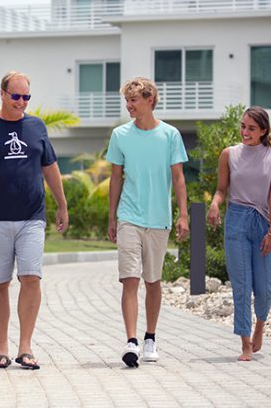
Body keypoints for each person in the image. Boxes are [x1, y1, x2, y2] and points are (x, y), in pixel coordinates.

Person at [0, 71, 68, 370]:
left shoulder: (36, 126)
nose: (21, 102)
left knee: (31, 278)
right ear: (3, 94)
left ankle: (25, 347)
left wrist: (62, 204)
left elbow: (50, 166)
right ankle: (2, 348)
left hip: (32, 216)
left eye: (26, 97)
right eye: (16, 96)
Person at [106, 77, 189, 368]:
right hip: (129, 215)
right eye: (126, 101)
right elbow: (116, 178)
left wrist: (183, 214)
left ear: (149, 100)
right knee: (129, 279)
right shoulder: (120, 135)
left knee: (152, 281)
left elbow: (178, 177)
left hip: (159, 219)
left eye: (134, 101)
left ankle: (150, 338)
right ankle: (131, 341)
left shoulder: (170, 135)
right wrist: (112, 216)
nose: (129, 106)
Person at [207, 106, 271, 361]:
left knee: (264, 286)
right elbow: (221, 189)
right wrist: (215, 204)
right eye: (243, 126)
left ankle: (259, 328)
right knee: (241, 285)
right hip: (237, 221)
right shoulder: (229, 154)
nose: (245, 132)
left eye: (251, 128)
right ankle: (245, 344)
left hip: (263, 222)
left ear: (264, 131)